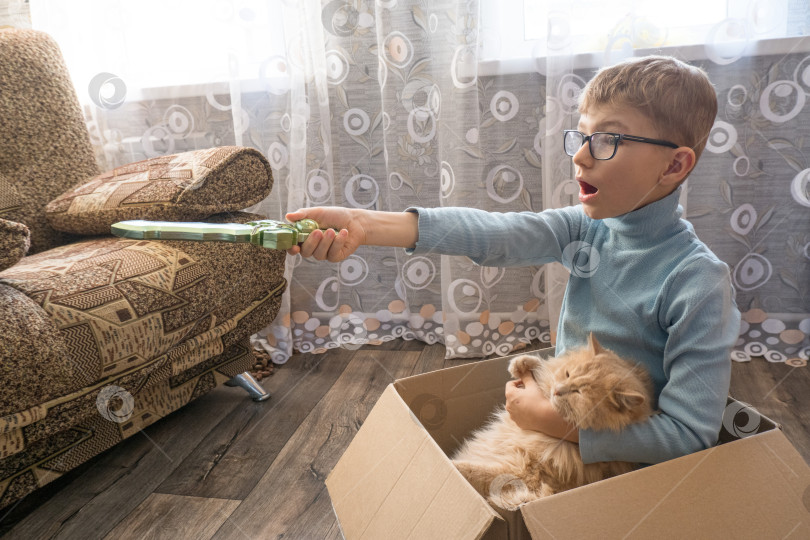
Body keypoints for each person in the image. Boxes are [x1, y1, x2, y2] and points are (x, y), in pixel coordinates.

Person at [285, 55, 741, 466]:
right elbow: (494, 233)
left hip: (622, 463)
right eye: (582, 137)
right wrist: (362, 224)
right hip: (553, 427)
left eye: (607, 140)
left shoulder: (697, 282)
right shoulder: (587, 227)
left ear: (675, 166)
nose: (580, 157)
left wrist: (552, 424)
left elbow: (689, 435)